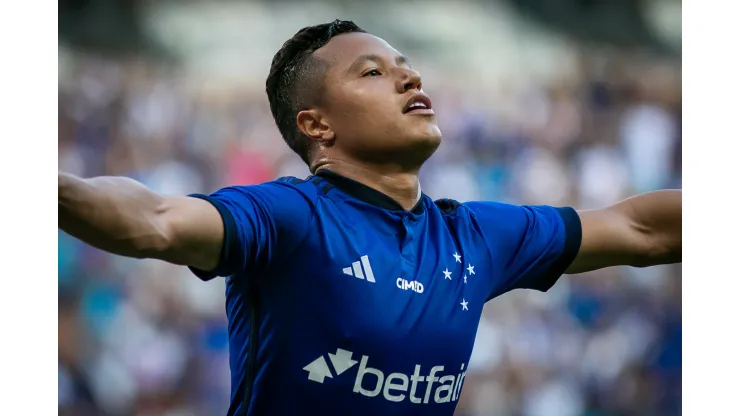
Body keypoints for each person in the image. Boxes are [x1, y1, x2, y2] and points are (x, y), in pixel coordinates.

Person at [58, 20, 682, 416]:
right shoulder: (291, 218)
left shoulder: (477, 235)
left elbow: (639, 230)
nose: (408, 76)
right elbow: (155, 220)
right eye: (374, 72)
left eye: (406, 65)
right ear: (316, 125)